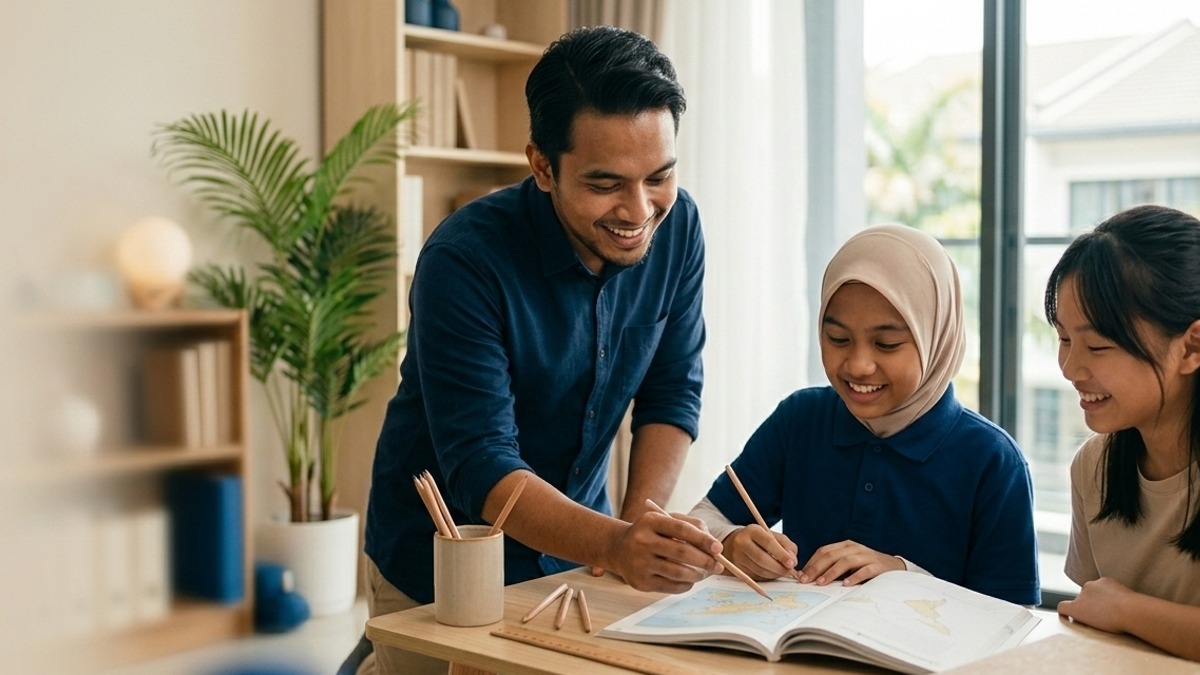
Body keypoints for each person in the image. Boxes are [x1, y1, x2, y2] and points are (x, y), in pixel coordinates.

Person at [359, 26, 720, 674]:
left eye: (659, 176)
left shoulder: (679, 226)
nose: (639, 210)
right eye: (606, 183)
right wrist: (617, 542)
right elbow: (481, 465)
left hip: (583, 548)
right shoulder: (463, 262)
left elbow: (672, 388)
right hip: (443, 560)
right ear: (542, 165)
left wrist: (640, 528)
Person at [688, 224, 1041, 606]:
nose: (858, 366)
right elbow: (704, 518)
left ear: (936, 337)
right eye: (837, 339)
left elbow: (1011, 618)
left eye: (886, 344)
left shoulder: (992, 460)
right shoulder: (802, 419)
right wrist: (731, 541)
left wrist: (903, 576)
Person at [1047, 204, 1200, 661]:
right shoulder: (1093, 467)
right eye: (1063, 339)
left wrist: (1129, 610)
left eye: (1098, 346)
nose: (1071, 368)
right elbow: (1095, 623)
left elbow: (1110, 609)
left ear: (1191, 347)